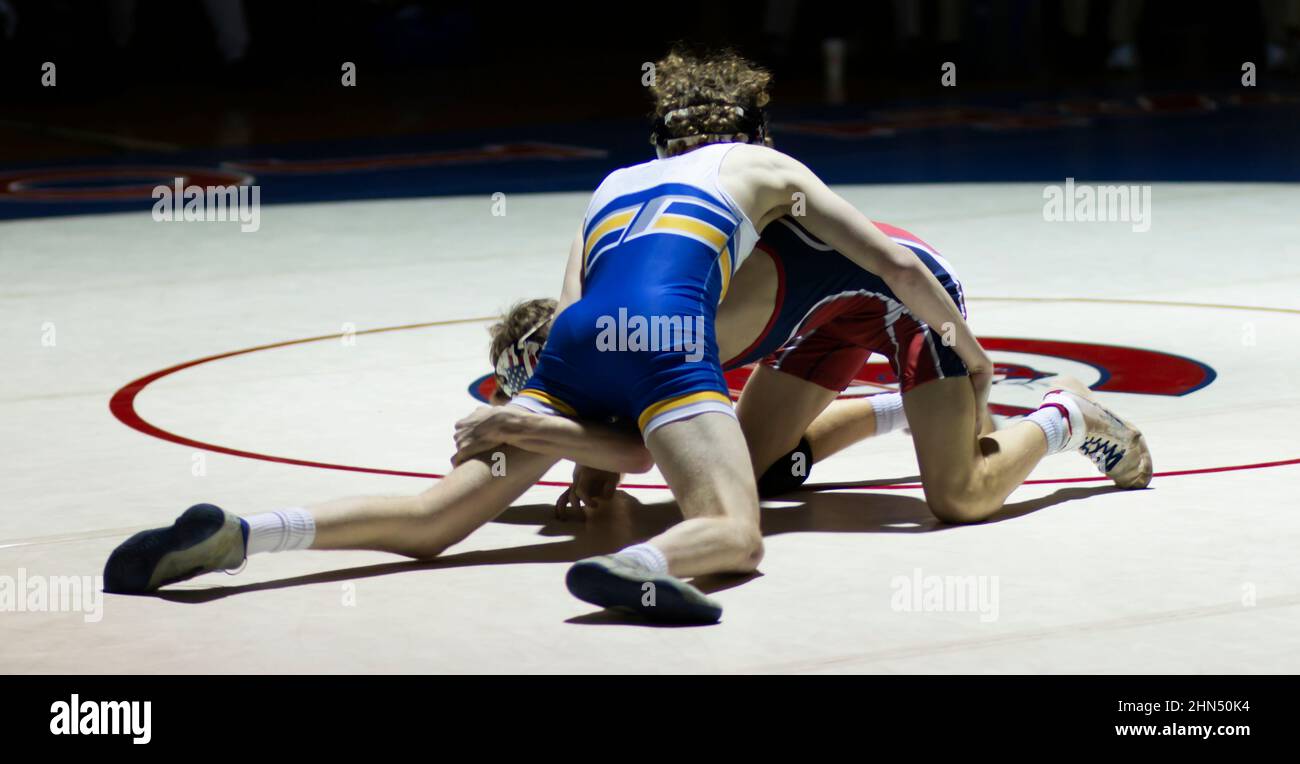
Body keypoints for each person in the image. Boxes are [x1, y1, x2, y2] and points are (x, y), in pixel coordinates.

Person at [105, 49, 1149, 626]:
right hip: (787, 315)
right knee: (750, 500)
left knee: (438, 517)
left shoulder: (607, 189)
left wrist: (563, 439)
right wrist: (966, 339)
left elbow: (578, 334)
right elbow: (901, 266)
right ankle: (664, 556)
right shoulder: (768, 171)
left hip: (839, 312)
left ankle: (250, 531)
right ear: (754, 133)